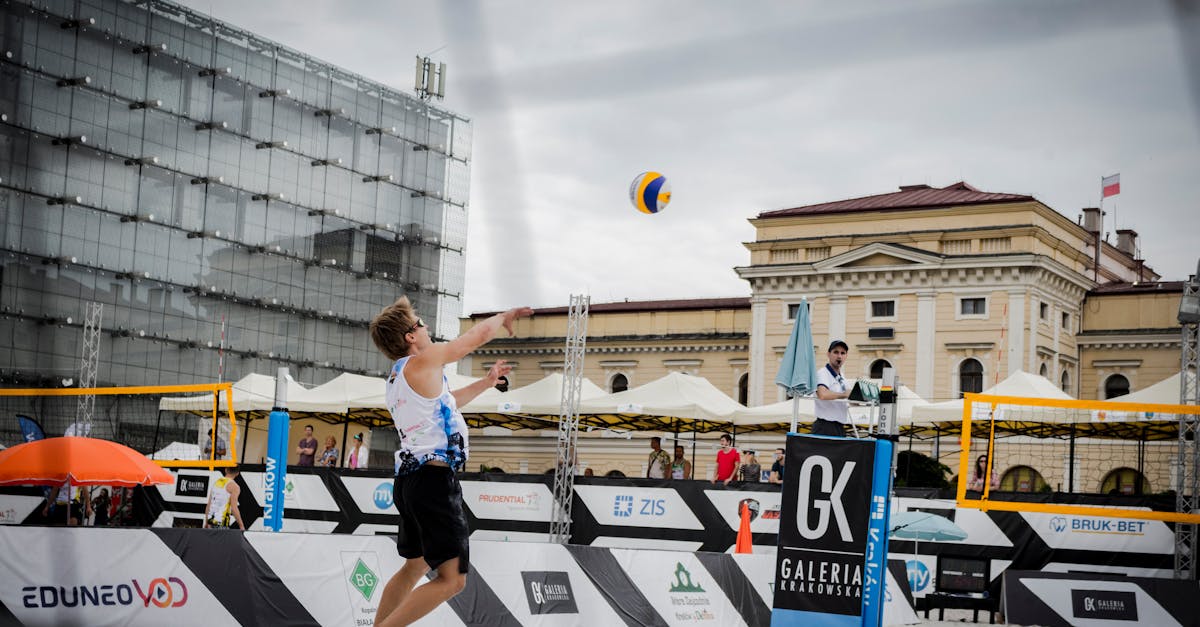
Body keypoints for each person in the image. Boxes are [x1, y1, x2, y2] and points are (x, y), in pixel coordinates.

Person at [370, 297, 532, 627]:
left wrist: (486, 383)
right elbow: (469, 341)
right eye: (420, 322)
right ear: (410, 337)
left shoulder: (400, 377)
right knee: (453, 579)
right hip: (432, 481)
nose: (426, 326)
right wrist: (502, 315)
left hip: (410, 480)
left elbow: (448, 404)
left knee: (413, 567)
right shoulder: (422, 362)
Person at [814, 340, 852, 437]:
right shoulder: (823, 373)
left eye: (842, 353)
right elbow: (822, 394)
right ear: (828, 354)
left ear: (846, 356)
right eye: (836, 352)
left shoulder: (842, 377)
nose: (839, 356)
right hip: (825, 426)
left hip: (839, 426)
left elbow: (850, 398)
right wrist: (844, 395)